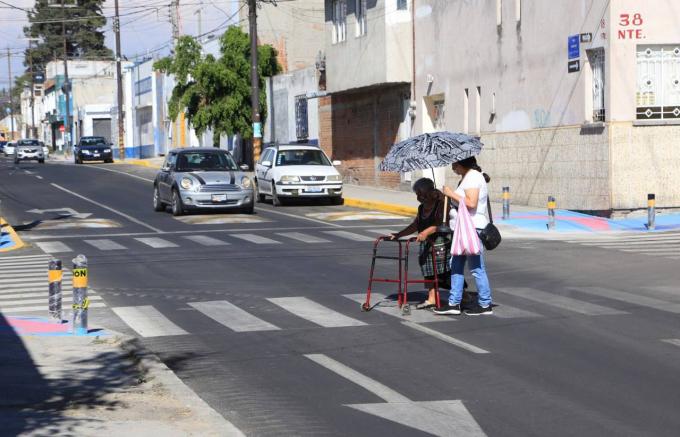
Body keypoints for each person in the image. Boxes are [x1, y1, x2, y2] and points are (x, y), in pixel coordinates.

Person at [434, 156, 494, 316]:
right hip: (464, 228)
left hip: (472, 228)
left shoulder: (473, 177)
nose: (452, 166)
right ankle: (454, 302)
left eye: (454, 163)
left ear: (461, 163)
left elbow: (471, 203)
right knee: (455, 265)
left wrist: (451, 194)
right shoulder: (467, 177)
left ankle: (485, 304)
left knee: (476, 267)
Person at [390, 178, 451, 309]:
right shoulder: (422, 207)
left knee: (444, 272)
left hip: (440, 242)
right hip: (426, 242)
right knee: (427, 269)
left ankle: (462, 295)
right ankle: (432, 298)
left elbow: (441, 224)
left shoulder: (442, 203)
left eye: (421, 193)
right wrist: (398, 235)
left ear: (429, 192)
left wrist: (427, 231)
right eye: (417, 194)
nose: (419, 197)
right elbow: (415, 225)